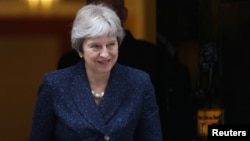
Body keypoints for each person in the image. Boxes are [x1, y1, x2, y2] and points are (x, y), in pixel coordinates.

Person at [29, 3, 162, 141]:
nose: (105, 54)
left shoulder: (139, 83)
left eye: (111, 44)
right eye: (95, 46)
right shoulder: (55, 85)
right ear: (80, 50)